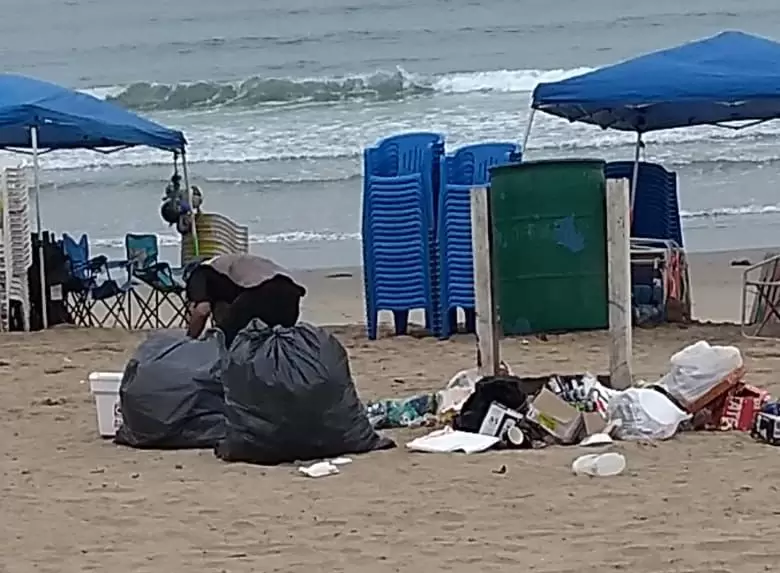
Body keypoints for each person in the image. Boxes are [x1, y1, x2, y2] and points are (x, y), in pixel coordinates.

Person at [184, 254, 306, 346]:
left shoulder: (200, 272)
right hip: (291, 295)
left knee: (226, 344)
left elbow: (202, 310)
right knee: (278, 343)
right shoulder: (227, 266)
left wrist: (188, 341)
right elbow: (223, 307)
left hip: (261, 291)